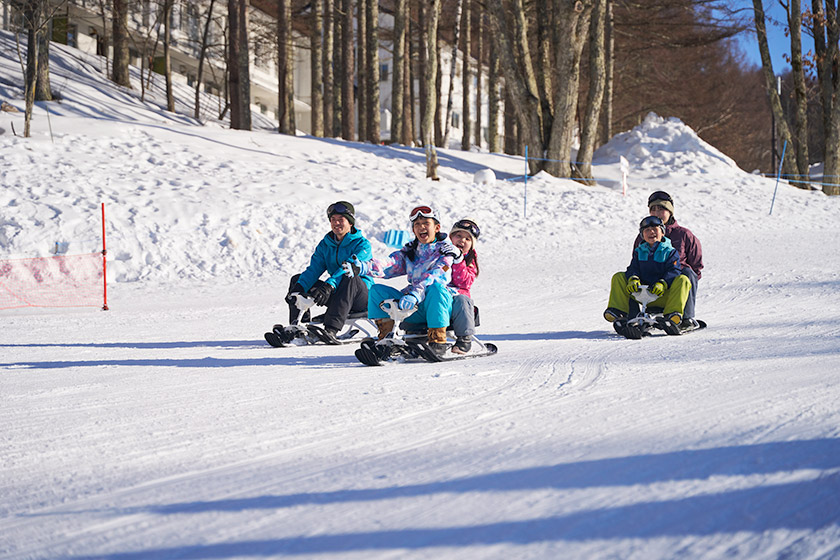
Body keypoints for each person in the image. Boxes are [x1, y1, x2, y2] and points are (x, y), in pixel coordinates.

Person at [346, 205, 459, 356]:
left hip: (438, 307)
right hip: (415, 306)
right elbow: (391, 263)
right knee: (377, 290)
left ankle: (437, 340)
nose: (421, 228)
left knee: (436, 288)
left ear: (437, 227)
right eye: (417, 225)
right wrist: (365, 267)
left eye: (426, 223)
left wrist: (415, 294)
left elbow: (437, 275)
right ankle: (386, 339)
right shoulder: (411, 251)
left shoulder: (446, 252)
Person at [285, 201, 373, 343]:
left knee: (350, 277)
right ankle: (300, 328)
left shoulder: (362, 245)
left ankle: (331, 329)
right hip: (337, 294)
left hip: (360, 297)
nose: (336, 223)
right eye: (333, 220)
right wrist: (298, 289)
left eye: (341, 219)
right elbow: (314, 269)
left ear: (350, 223)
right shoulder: (326, 244)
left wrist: (329, 286)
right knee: (298, 279)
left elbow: (347, 268)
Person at [605, 215, 692, 335]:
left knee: (683, 279)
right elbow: (633, 268)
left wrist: (663, 283)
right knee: (619, 276)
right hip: (643, 293)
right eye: (646, 230)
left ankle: (672, 316)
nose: (651, 232)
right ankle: (618, 312)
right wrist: (633, 279)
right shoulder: (639, 251)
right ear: (642, 235)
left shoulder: (670, 252)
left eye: (655, 229)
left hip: (663, 295)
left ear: (662, 232)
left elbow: (674, 271)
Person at [634, 190, 703, 327]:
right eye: (653, 210)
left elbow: (696, 266)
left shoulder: (684, 235)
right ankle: (633, 315)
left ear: (670, 211)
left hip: (676, 280)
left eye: (661, 209)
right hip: (651, 279)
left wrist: (683, 279)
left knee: (688, 274)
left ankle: (686, 318)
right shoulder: (643, 235)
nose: (656, 213)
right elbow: (636, 259)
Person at [448, 218, 481, 354]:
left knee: (462, 301)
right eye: (458, 236)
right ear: (450, 238)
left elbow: (464, 282)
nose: (462, 240)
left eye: (468, 239)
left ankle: (464, 339)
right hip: (440, 295)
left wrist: (459, 260)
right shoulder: (440, 253)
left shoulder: (469, 260)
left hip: (458, 297)